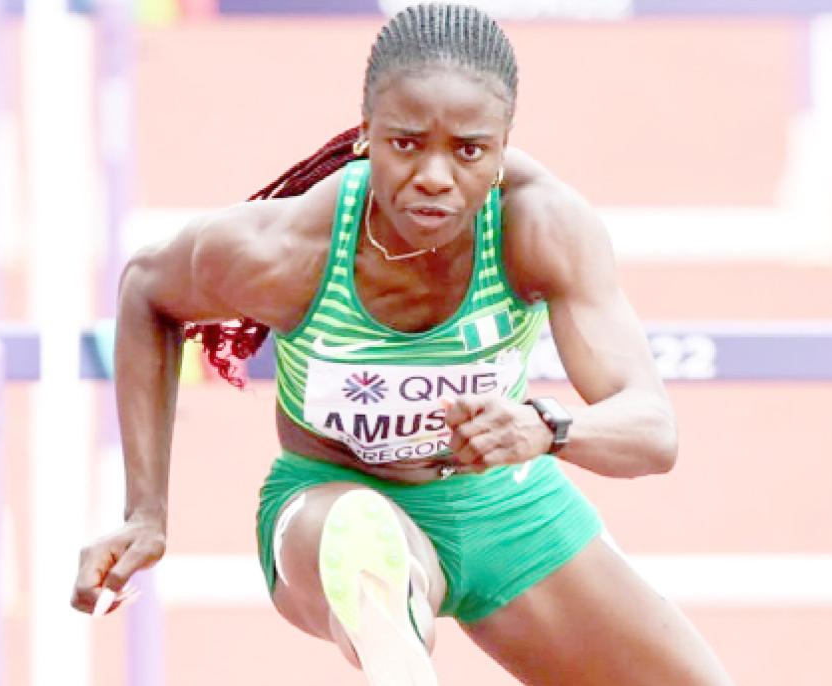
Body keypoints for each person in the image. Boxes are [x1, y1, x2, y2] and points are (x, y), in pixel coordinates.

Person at [71, 4, 736, 685]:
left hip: (504, 505)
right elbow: (147, 292)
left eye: (469, 151)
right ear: (367, 135)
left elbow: (651, 431)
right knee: (369, 543)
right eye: (406, 143)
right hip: (331, 505)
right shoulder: (286, 249)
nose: (434, 177)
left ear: (503, 150)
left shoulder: (540, 226)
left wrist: (546, 427)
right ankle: (397, 655)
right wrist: (145, 512)